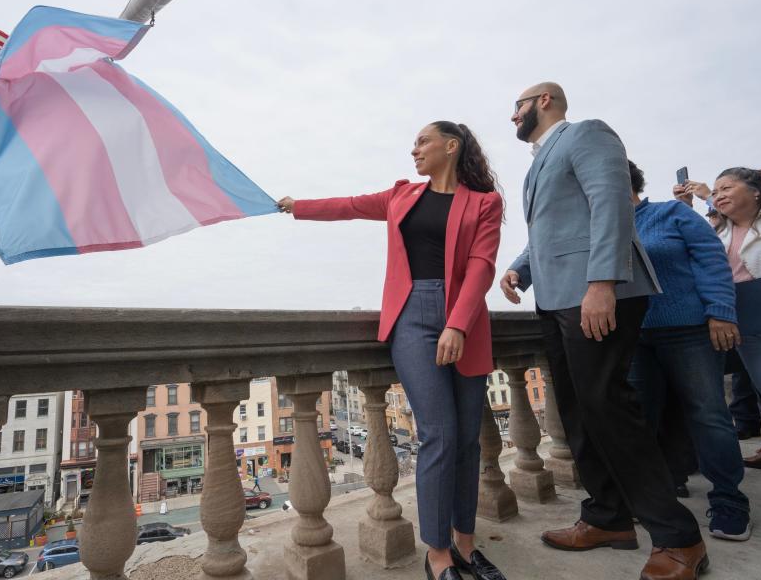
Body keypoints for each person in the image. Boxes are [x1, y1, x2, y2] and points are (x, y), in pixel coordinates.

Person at [278, 121, 505, 580]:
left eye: (423, 141)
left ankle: (465, 544)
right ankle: (438, 553)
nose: (414, 150)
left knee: (466, 441)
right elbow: (350, 205)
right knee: (439, 434)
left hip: (465, 318)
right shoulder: (402, 195)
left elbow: (482, 266)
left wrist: (458, 323)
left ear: (451, 146)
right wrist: (296, 206)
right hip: (413, 318)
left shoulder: (485, 202)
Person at [499, 82, 707, 580]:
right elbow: (553, 229)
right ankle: (608, 517)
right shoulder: (540, 161)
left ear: (544, 101)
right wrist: (520, 270)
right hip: (555, 297)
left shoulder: (587, 134)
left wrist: (602, 282)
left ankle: (679, 538)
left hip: (595, 293)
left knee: (608, 408)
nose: (513, 118)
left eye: (518, 107)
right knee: (577, 410)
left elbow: (611, 206)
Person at [626, 159, 751, 540]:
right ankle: (655, 493)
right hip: (635, 337)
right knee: (642, 417)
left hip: (690, 330)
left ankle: (730, 502)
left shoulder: (671, 213)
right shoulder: (599, 227)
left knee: (709, 415)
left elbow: (711, 259)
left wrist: (720, 312)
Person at [711, 168, 761, 453]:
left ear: (755, 190)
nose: (719, 195)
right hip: (749, 331)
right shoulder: (715, 234)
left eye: (726, 188)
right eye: (714, 192)